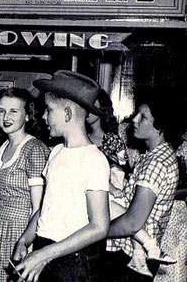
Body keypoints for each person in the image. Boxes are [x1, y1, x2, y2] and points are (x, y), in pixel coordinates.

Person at [12, 70, 110, 281]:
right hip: (47, 249)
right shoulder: (56, 152)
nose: (44, 117)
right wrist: (24, 240)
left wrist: (45, 255)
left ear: (67, 114)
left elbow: (100, 226)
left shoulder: (94, 160)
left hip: (74, 260)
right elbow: (46, 207)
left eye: (48, 110)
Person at [87, 89, 175, 276]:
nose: (134, 120)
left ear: (160, 125)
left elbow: (133, 222)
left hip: (128, 258)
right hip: (130, 252)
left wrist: (94, 232)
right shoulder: (153, 156)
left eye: (143, 117)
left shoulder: (156, 162)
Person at [0, 88, 50, 282]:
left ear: (28, 115)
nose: (6, 116)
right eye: (2, 110)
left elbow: (39, 208)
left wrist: (29, 245)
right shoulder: (3, 145)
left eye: (14, 111)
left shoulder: (34, 149)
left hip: (20, 230)